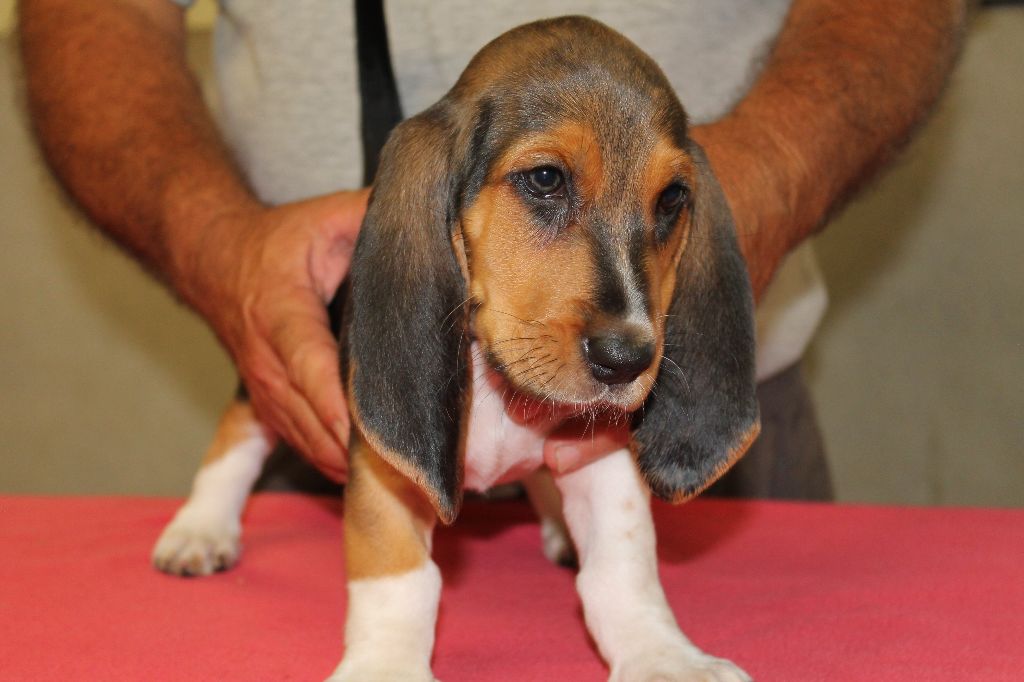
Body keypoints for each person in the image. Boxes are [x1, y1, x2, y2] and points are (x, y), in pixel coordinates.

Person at [17, 0, 966, 498]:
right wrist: (215, 242)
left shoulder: (684, 257)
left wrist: (730, 199)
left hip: (688, 384)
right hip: (328, 373)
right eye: (543, 184)